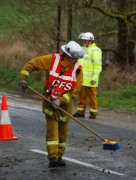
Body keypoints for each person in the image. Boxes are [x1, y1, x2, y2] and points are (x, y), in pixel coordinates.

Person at [19, 41, 84, 168]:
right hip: (49, 101)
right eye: (72, 58)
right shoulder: (53, 60)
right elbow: (33, 63)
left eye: (76, 59)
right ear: (66, 55)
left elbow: (75, 91)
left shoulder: (78, 70)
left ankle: (60, 156)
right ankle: (53, 157)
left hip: (65, 105)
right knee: (52, 130)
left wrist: (61, 100)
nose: (74, 61)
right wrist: (23, 77)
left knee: (63, 132)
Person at [73, 32, 102, 119]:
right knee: (82, 96)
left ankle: (93, 113)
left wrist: (94, 78)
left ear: (91, 40)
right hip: (83, 79)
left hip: (91, 79)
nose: (84, 41)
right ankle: (80, 112)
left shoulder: (96, 50)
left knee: (92, 96)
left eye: (86, 40)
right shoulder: (83, 49)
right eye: (83, 40)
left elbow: (97, 66)